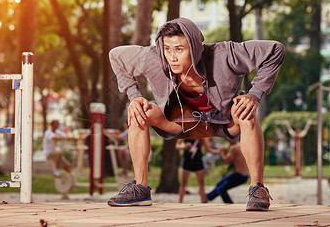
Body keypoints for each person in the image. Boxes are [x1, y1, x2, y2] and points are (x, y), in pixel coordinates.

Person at [108, 17, 285, 210]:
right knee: (139, 111)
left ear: (194, 46)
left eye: (179, 49)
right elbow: (115, 55)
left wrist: (255, 94)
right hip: (179, 122)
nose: (172, 57)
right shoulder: (154, 57)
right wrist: (134, 96)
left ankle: (257, 188)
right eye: (167, 48)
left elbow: (275, 50)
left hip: (224, 121)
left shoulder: (225, 54)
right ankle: (140, 188)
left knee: (245, 112)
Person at [176, 138, 219, 203]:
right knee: (183, 182)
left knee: (201, 182)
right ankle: (180, 202)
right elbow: (177, 146)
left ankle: (203, 201)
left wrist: (219, 151)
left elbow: (208, 149)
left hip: (198, 161)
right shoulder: (186, 133)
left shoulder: (202, 136)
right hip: (187, 160)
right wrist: (184, 146)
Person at [206, 139, 249, 203]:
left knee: (221, 188)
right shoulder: (242, 145)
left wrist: (222, 153)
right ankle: (208, 196)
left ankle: (229, 203)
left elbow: (226, 161)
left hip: (240, 175)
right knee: (220, 183)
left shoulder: (234, 148)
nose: (228, 141)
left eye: (228, 140)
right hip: (244, 175)